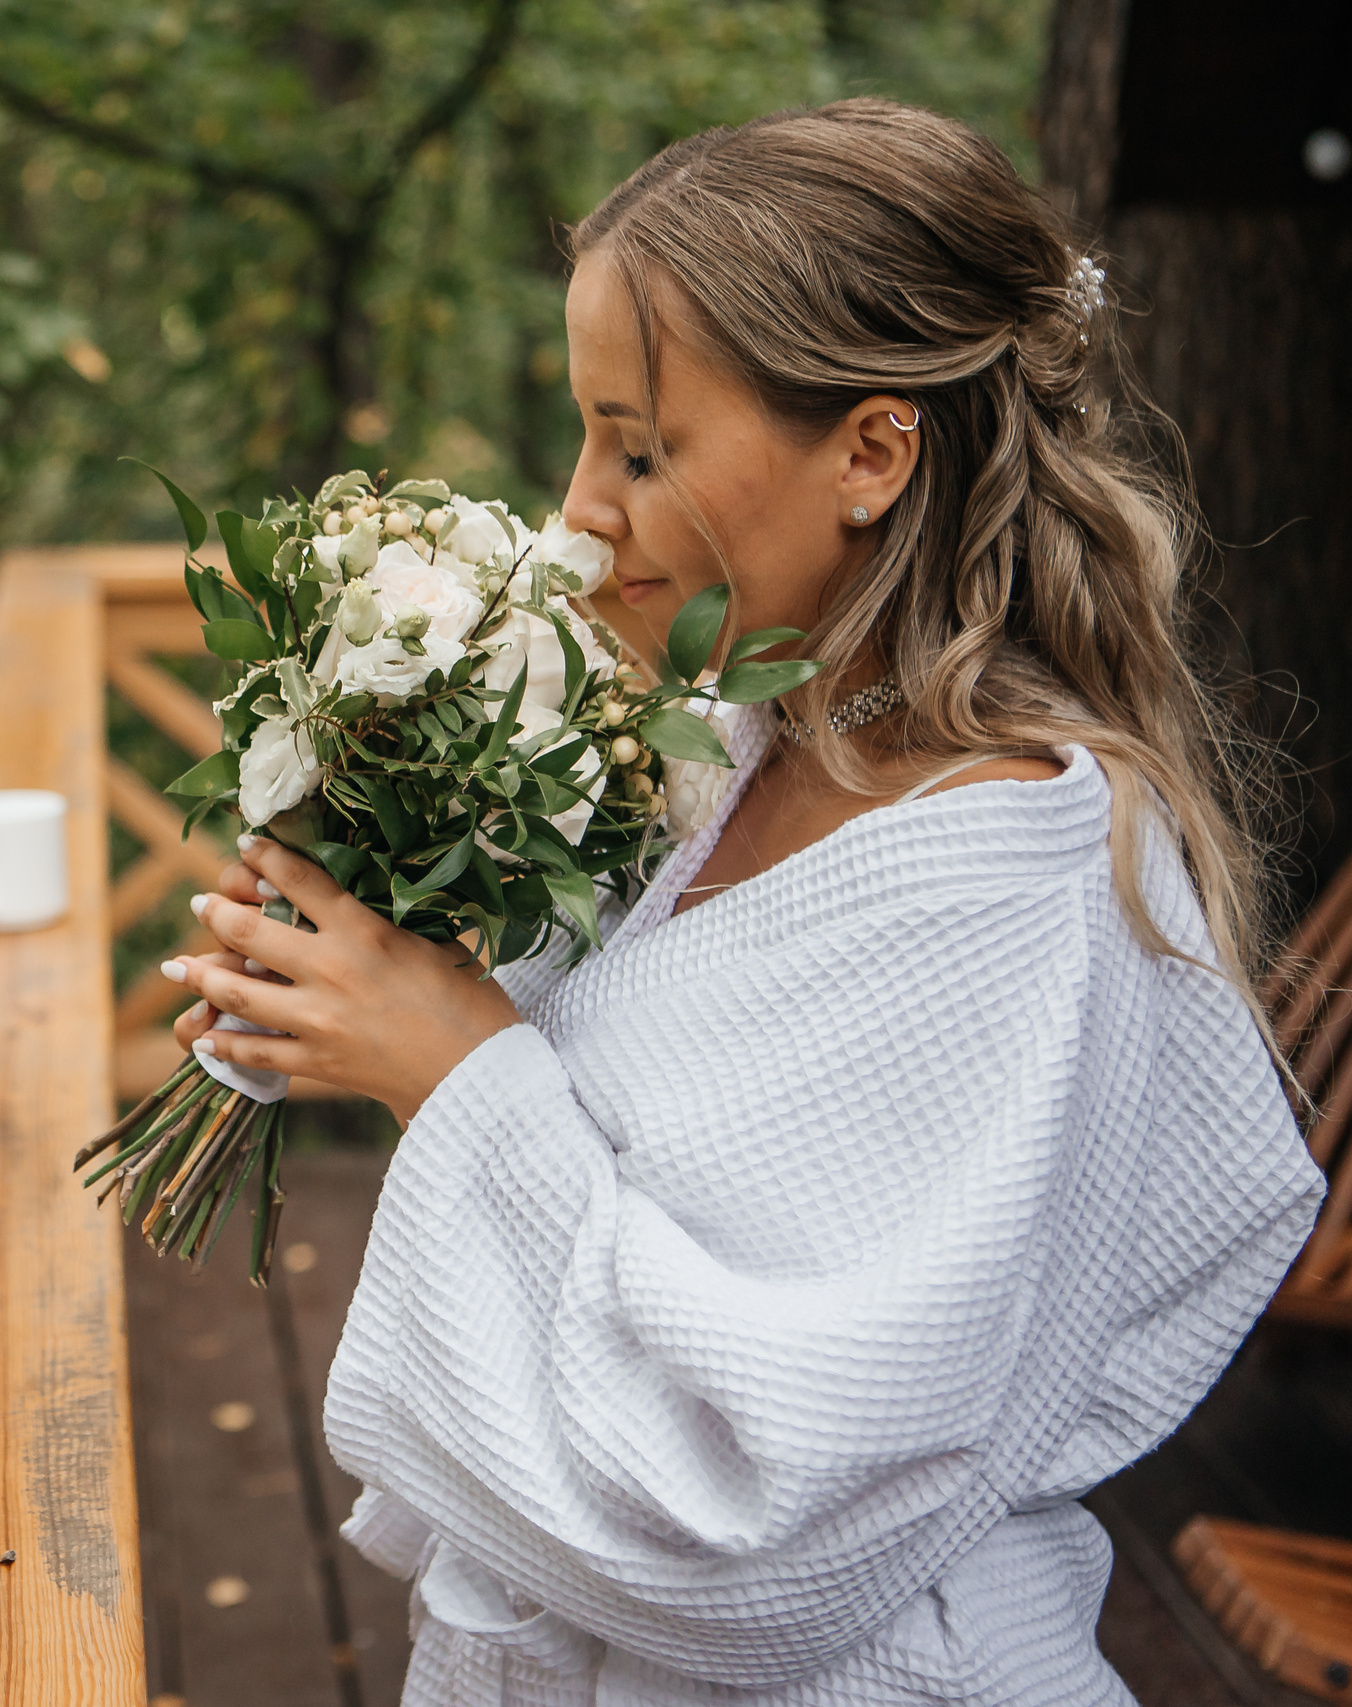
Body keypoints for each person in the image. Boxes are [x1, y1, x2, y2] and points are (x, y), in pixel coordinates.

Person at [161, 99, 1323, 1703]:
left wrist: (451, 1070)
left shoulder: (1007, 893)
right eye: (586, 435)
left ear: (869, 450)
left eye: (641, 447)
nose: (581, 506)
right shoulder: (728, 746)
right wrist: (366, 929)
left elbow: (771, 1516)